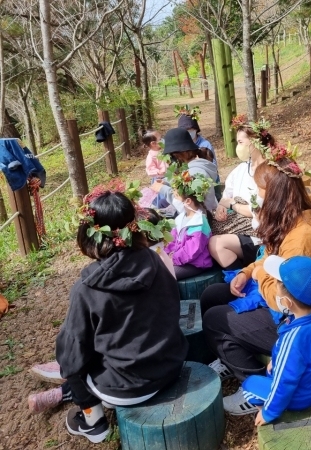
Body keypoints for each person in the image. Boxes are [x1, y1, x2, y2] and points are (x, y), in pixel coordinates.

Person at [27, 181, 187, 443]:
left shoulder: (87, 288)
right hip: (172, 365)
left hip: (127, 388)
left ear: (90, 233)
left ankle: (93, 422)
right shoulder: (155, 260)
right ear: (134, 226)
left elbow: (72, 354)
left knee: (70, 359)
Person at [199, 152, 311, 415]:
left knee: (214, 319)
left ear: (275, 195)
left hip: (300, 324)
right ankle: (227, 353)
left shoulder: (299, 239)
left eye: (259, 189)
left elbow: (283, 300)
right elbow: (267, 259)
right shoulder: (289, 221)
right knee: (212, 296)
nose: (256, 194)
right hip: (283, 303)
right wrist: (246, 272)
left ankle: (258, 388)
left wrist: (259, 275)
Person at [241, 255, 311, 424]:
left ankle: (272, 413)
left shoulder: (293, 339)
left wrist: (269, 413)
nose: (274, 285)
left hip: (299, 397)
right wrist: (276, 361)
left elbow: (285, 382)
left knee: (249, 385)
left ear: (288, 303)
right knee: (273, 370)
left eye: (276, 284)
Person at [208, 116, 274, 269]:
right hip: (235, 223)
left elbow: (259, 212)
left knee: (215, 243)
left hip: (258, 234)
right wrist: (221, 208)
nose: (238, 147)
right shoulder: (240, 170)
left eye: (240, 142)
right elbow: (226, 196)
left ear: (255, 141)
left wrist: (232, 204)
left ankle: (240, 276)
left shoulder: (269, 173)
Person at [152, 128, 219, 212]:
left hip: (201, 219)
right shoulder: (197, 166)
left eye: (172, 156)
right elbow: (182, 180)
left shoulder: (194, 173)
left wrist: (163, 189)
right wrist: (165, 181)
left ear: (178, 155)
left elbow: (187, 204)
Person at [164, 171, 214, 280]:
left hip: (195, 264)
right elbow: (172, 239)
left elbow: (193, 250)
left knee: (166, 275)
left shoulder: (199, 222)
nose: (174, 199)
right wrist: (166, 253)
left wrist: (173, 259)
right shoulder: (181, 217)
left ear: (188, 201)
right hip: (180, 260)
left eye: (176, 196)